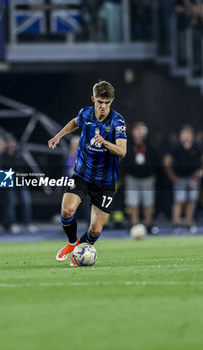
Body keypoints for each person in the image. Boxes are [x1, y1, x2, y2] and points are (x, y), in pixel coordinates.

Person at [48, 80, 127, 266]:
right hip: (82, 175)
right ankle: (72, 242)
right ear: (93, 99)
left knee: (95, 230)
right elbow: (75, 123)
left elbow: (122, 151)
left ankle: (79, 252)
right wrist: (58, 136)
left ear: (112, 101)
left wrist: (105, 142)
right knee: (67, 211)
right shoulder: (85, 113)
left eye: (107, 103)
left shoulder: (118, 121)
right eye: (100, 102)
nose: (103, 106)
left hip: (105, 182)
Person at [163, 125, 203, 233]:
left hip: (193, 178)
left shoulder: (197, 146)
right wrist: (171, 175)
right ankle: (175, 225)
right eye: (183, 134)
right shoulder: (176, 147)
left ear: (192, 135)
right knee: (178, 201)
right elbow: (167, 160)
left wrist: (200, 171)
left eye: (187, 134)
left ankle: (188, 224)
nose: (185, 136)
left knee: (191, 201)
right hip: (180, 178)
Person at [122, 122, 159, 234]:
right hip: (132, 177)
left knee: (148, 203)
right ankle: (134, 225)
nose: (139, 133)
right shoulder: (127, 145)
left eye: (142, 130)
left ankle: (149, 225)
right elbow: (123, 160)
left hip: (147, 178)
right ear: (133, 132)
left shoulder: (151, 145)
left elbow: (156, 160)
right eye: (137, 130)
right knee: (133, 204)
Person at [2, 135, 36, 234]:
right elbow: (3, 169)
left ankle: (27, 224)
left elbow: (22, 167)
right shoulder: (4, 154)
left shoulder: (19, 153)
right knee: (10, 202)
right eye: (9, 142)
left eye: (12, 142)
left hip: (20, 179)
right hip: (7, 178)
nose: (11, 144)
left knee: (26, 201)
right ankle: (13, 224)